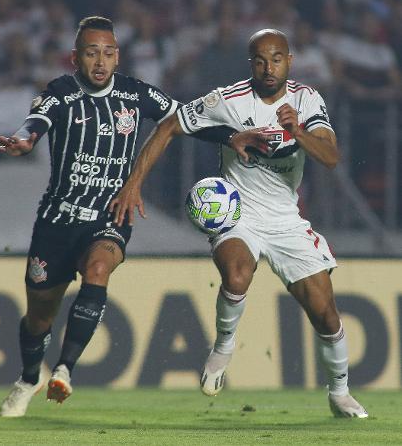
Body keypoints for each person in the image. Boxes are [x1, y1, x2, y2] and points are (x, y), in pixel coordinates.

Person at [110, 29, 368, 419]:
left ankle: (340, 392)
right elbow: (168, 126)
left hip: (285, 219)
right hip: (238, 212)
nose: (269, 67)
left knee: (326, 314)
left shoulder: (306, 99)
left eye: (276, 59)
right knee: (237, 274)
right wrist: (133, 184)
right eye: (260, 60)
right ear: (251, 63)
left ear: (289, 61)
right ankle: (224, 347)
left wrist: (297, 131)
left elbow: (331, 157)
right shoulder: (226, 100)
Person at [0, 15, 237, 418]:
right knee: (39, 315)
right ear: (75, 57)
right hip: (58, 219)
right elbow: (36, 120)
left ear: (117, 56)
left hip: (110, 212)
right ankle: (26, 378)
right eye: (91, 53)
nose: (100, 61)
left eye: (107, 53)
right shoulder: (60, 92)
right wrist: (25, 139)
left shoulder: (135, 94)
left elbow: (183, 118)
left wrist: (231, 135)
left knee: (99, 268)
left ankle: (65, 370)